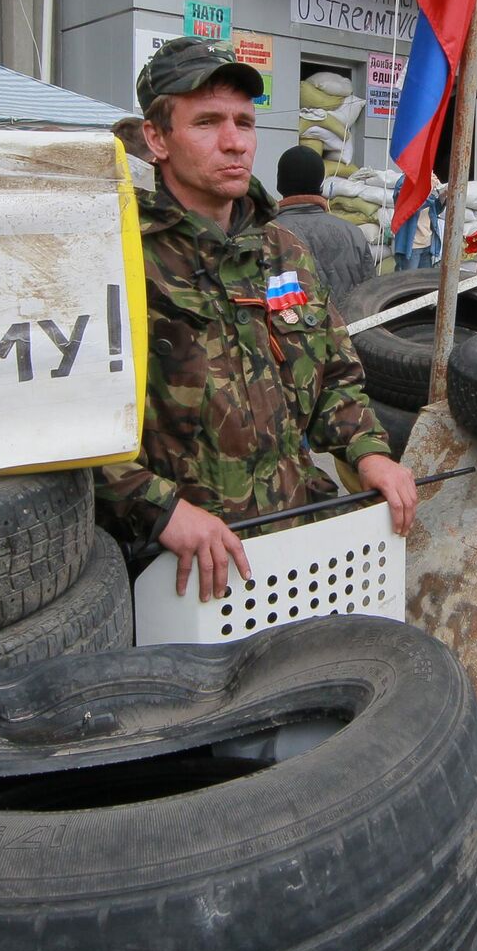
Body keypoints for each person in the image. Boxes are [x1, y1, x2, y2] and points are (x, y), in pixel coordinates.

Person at [95, 38, 418, 603]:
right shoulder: (117, 259)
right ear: (156, 137)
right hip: (178, 572)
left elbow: (336, 379)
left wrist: (368, 452)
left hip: (297, 547)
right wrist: (162, 509)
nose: (234, 142)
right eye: (207, 122)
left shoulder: (283, 252)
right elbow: (79, 426)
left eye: (245, 122)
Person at [274, 144, 378, 303]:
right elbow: (370, 295)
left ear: (279, 185)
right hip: (348, 326)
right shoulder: (353, 233)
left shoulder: (267, 234)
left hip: (293, 327)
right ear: (321, 185)